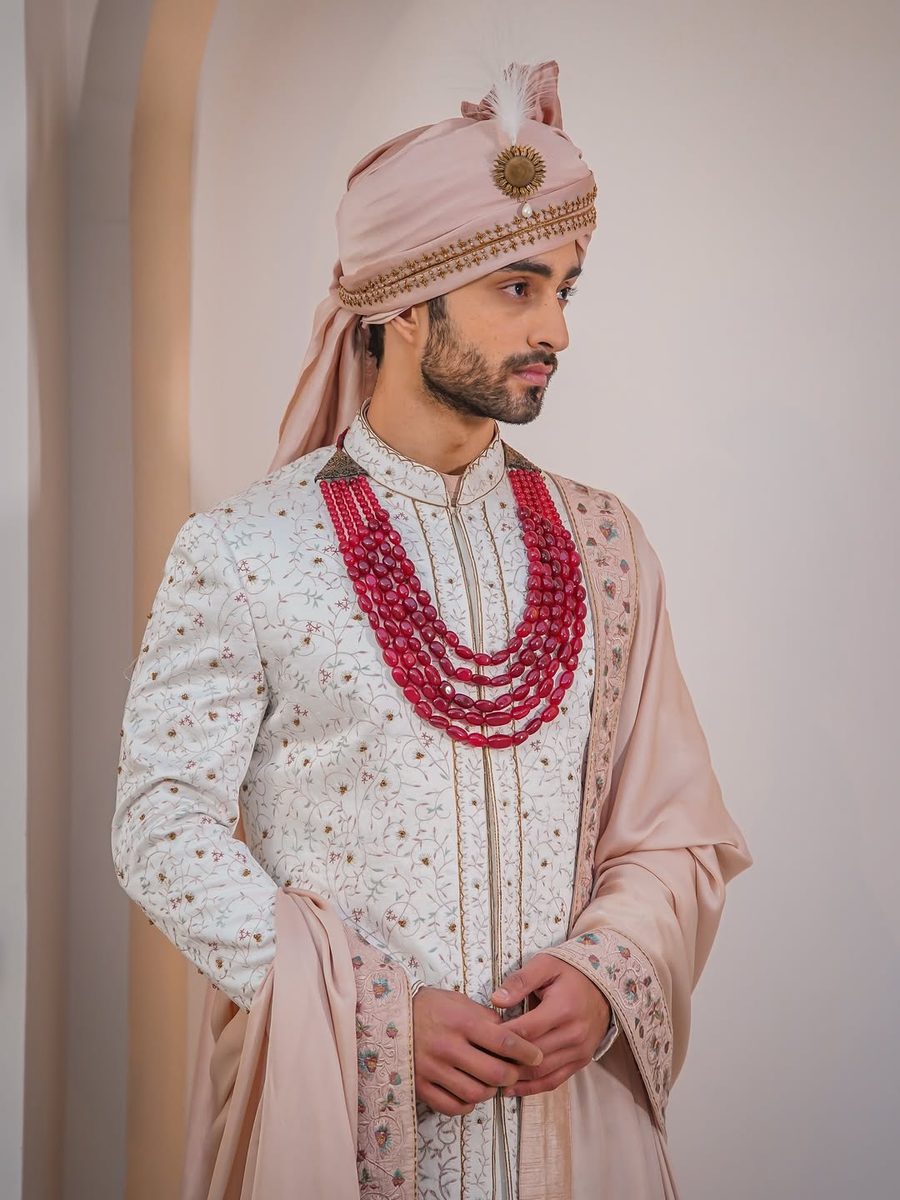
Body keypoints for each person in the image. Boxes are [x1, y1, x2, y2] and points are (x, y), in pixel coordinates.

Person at [112, 59, 752, 1200]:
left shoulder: (605, 546)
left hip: (572, 1129)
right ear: (403, 303)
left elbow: (675, 834)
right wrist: (375, 1015)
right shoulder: (247, 549)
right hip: (349, 1126)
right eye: (519, 286)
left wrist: (605, 976)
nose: (556, 325)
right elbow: (162, 825)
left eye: (566, 286)